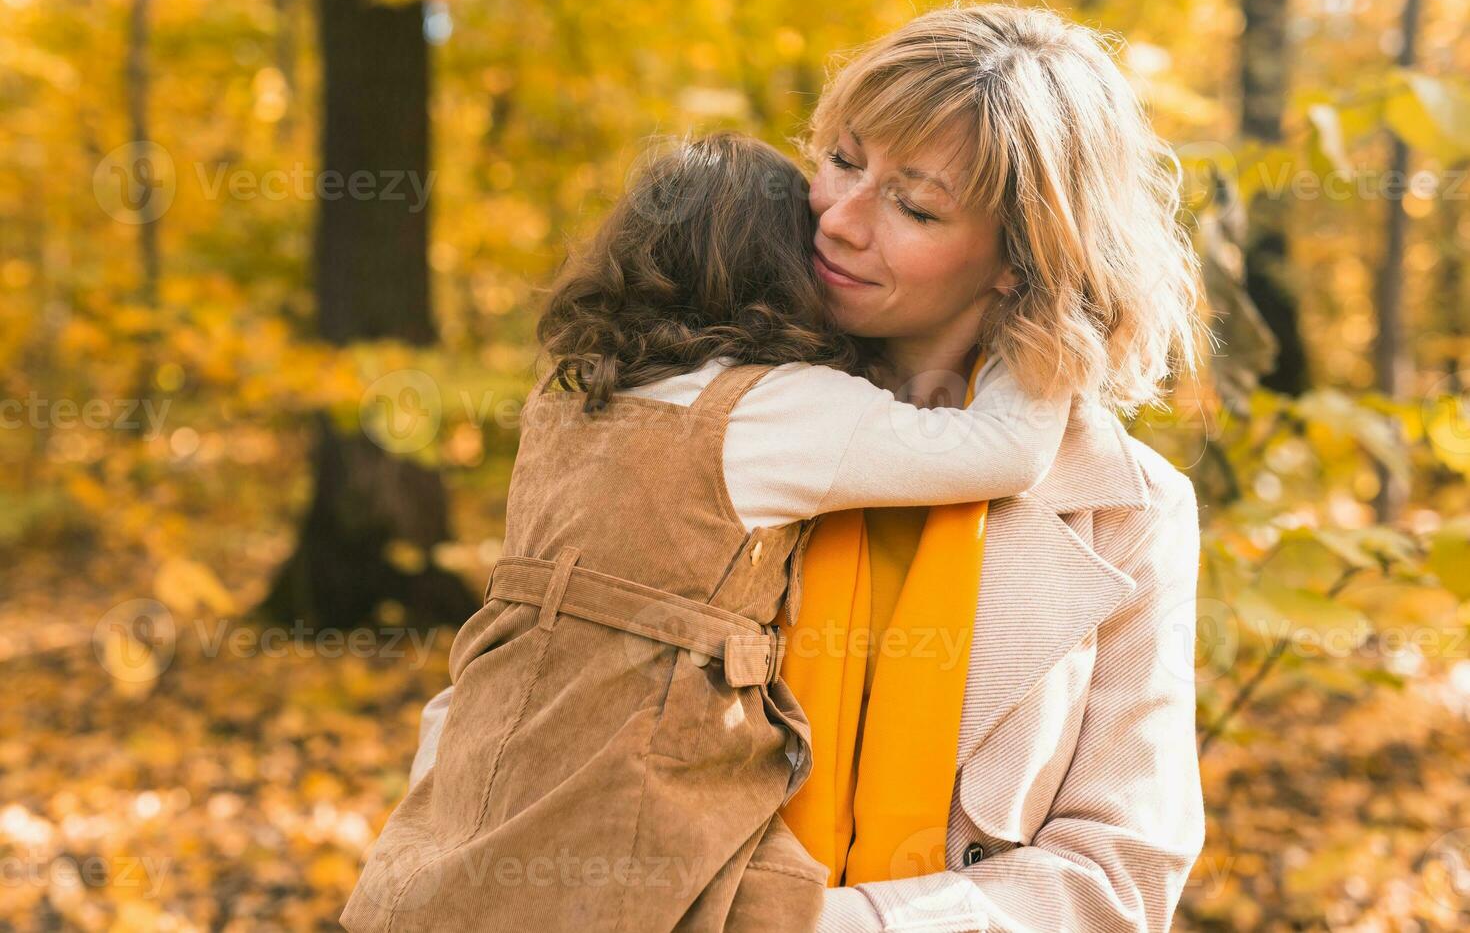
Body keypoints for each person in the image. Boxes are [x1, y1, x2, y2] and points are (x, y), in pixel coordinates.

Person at [409, 0, 1211, 932]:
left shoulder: (1129, 508)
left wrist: (812, 926)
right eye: (842, 160)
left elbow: (1120, 873)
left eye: (913, 205)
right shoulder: (696, 415)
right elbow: (522, 679)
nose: (839, 219)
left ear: (1021, 262)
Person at [341, 130, 1071, 932]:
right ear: (784, 270)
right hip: (647, 763)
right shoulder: (779, 405)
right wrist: (1042, 326)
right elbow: (1005, 450)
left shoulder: (570, 396)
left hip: (495, 739)